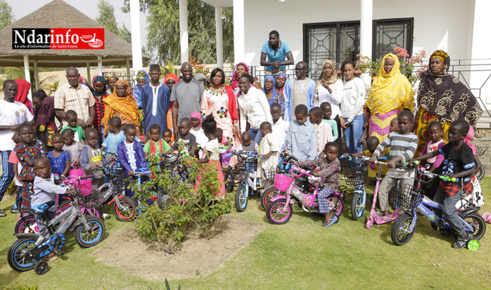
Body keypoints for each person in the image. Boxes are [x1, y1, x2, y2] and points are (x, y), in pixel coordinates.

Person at [414, 120, 476, 249]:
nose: (450, 136)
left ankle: (463, 235)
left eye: (453, 133)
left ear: (463, 135)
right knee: (437, 206)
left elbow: (471, 169)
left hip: (457, 185)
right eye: (449, 133)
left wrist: (455, 176)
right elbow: (435, 153)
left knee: (447, 210)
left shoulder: (465, 150)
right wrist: (417, 158)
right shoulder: (449, 145)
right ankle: (447, 227)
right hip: (445, 182)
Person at [415, 50, 483, 155]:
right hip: (425, 119)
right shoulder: (425, 79)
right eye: (432, 62)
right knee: (423, 145)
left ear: (445, 64)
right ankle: (421, 168)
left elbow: (468, 100)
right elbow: (421, 101)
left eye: (437, 62)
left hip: (443, 123)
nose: (434, 65)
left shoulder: (452, 82)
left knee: (442, 149)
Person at [369, 111, 418, 216]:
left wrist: (396, 159)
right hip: (393, 170)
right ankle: (384, 210)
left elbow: (410, 152)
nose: (401, 125)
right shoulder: (392, 135)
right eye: (400, 123)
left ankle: (402, 216)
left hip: (407, 171)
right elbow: (382, 145)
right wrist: (375, 155)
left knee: (405, 194)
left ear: (411, 124)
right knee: (382, 189)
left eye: (405, 123)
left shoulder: (413, 138)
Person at [0, 80, 34, 216]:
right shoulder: (1, 105)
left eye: (14, 90)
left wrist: (24, 127)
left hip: (22, 147)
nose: (12, 92)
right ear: (3, 89)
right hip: (6, 146)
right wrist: (9, 127)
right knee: (9, 175)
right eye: (9, 90)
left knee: (23, 176)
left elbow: (31, 120)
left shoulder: (20, 105)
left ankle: (18, 204)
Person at [31, 157, 75, 261]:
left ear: (50, 168)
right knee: (44, 231)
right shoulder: (38, 180)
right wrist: (65, 191)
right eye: (37, 169)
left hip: (49, 207)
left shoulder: (50, 175)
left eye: (42, 168)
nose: (40, 171)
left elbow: (56, 184)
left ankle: (51, 246)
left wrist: (66, 185)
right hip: (40, 208)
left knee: (51, 228)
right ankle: (44, 253)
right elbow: (51, 188)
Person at [366, 53, 414, 143]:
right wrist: (366, 121)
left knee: (391, 145)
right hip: (375, 119)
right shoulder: (377, 80)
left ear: (395, 65)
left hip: (393, 119)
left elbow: (407, 103)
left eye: (390, 64)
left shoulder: (402, 80)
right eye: (386, 64)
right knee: (373, 145)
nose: (388, 67)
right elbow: (370, 101)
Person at [294, 142, 341, 227]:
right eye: (330, 152)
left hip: (332, 184)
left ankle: (328, 215)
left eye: (335, 153)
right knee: (308, 187)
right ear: (325, 152)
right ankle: (315, 208)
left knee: (321, 195)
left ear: (337, 154)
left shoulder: (336, 162)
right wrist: (297, 163)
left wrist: (318, 173)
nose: (332, 155)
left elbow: (327, 171)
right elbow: (311, 162)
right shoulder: (322, 160)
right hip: (322, 183)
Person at [201, 68, 240, 148]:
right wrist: (205, 125)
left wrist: (235, 124)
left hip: (227, 125)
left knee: (228, 148)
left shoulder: (228, 91)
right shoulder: (207, 92)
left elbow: (234, 108)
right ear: (211, 78)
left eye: (219, 76)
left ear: (222, 78)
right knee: (214, 148)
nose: (216, 78)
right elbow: (203, 109)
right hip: (212, 125)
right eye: (214, 76)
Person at [15, 123, 48, 209]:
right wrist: (42, 162)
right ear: (19, 136)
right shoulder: (19, 147)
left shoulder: (39, 143)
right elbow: (30, 162)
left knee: (43, 198)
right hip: (29, 177)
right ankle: (29, 220)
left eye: (30, 133)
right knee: (29, 199)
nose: (27, 135)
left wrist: (42, 162)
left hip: (42, 175)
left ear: (34, 133)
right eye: (24, 133)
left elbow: (45, 158)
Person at [339, 60, 366, 159]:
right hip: (345, 119)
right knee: (348, 145)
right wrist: (341, 117)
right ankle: (353, 170)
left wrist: (350, 119)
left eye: (350, 70)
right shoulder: (341, 84)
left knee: (357, 145)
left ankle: (360, 170)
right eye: (345, 70)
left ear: (354, 70)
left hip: (356, 117)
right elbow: (339, 102)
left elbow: (360, 102)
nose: (347, 72)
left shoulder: (358, 82)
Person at [171, 62, 205, 138]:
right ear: (181, 71)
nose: (187, 73)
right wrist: (175, 126)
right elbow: (175, 107)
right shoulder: (176, 86)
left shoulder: (199, 85)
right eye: (185, 71)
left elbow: (204, 105)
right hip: (182, 124)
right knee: (183, 147)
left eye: (189, 71)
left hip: (197, 125)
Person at [237, 74, 273, 144]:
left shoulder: (258, 92)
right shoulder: (240, 99)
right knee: (248, 147)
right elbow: (243, 117)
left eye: (244, 83)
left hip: (262, 127)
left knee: (255, 147)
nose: (241, 85)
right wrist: (243, 133)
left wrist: (268, 127)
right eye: (240, 83)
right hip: (252, 127)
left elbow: (267, 110)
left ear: (250, 83)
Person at [314, 60, 343, 144]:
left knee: (334, 141)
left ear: (333, 69)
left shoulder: (338, 82)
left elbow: (338, 100)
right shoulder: (320, 82)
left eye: (329, 68)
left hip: (333, 116)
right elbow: (317, 100)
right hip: (322, 117)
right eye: (325, 68)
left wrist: (329, 89)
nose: (327, 70)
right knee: (322, 140)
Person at [196, 115, 225, 197]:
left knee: (208, 185)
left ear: (205, 131)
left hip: (210, 167)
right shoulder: (215, 141)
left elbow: (206, 159)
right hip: (215, 166)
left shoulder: (211, 144)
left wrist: (195, 161)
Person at [117, 124, 148, 197]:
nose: (132, 137)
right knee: (131, 187)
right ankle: (133, 205)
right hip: (129, 172)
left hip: (139, 169)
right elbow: (122, 159)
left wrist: (143, 169)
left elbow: (142, 157)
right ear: (125, 134)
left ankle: (144, 204)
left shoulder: (137, 144)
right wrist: (129, 170)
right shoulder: (121, 145)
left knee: (142, 186)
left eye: (134, 135)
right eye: (130, 135)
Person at [141, 65, 171, 136]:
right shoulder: (145, 88)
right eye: (153, 74)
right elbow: (144, 105)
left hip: (161, 120)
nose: (154, 76)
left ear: (160, 74)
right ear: (150, 74)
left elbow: (167, 105)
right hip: (149, 120)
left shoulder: (165, 89)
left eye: (156, 74)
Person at [419, 121, 446, 199]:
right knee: (425, 185)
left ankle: (431, 203)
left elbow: (439, 159)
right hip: (428, 166)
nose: (433, 135)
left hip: (435, 168)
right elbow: (424, 152)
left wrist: (431, 170)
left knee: (432, 186)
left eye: (435, 133)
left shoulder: (442, 144)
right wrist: (419, 161)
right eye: (430, 133)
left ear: (441, 132)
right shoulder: (429, 142)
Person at [257, 122, 280, 191]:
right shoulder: (265, 138)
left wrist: (268, 154)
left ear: (262, 130)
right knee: (265, 180)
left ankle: (268, 196)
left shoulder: (269, 136)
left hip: (269, 163)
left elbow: (276, 145)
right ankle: (264, 196)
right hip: (264, 162)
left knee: (268, 179)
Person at [8, 132, 23, 213]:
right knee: (20, 192)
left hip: (26, 175)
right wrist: (17, 175)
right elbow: (15, 164)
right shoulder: (15, 151)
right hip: (20, 175)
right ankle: (18, 206)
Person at [92, 76, 108, 142]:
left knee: (105, 140)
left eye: (101, 86)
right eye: (97, 86)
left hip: (105, 124)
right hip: (95, 122)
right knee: (96, 140)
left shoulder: (107, 96)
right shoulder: (91, 96)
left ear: (104, 86)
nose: (98, 88)